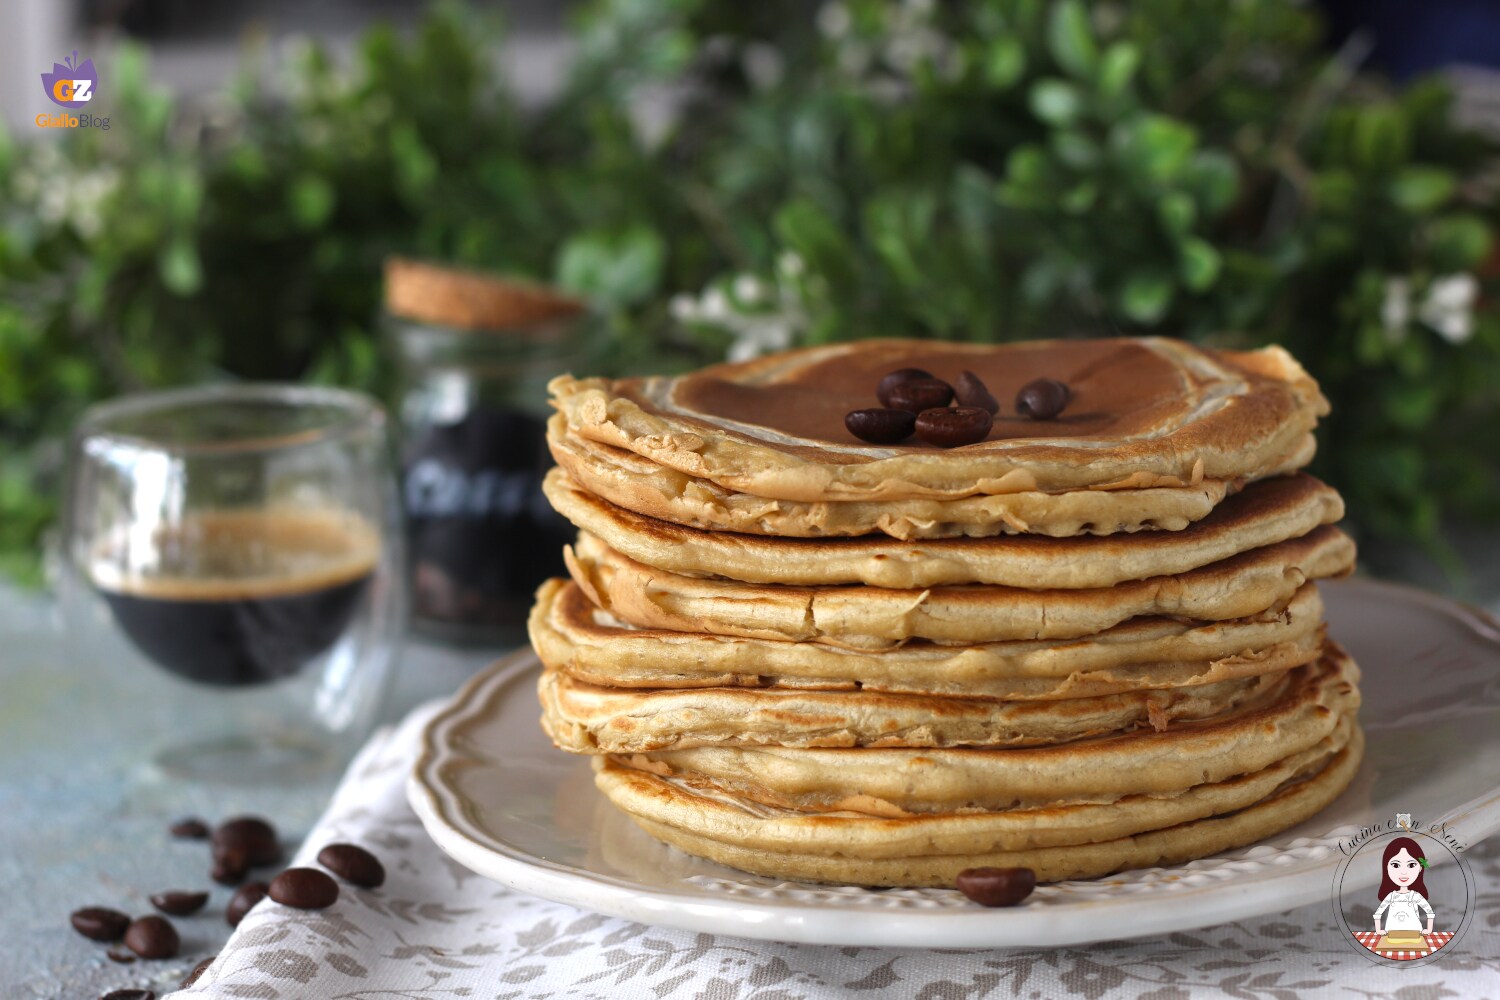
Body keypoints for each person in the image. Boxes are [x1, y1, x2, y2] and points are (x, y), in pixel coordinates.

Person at [1372, 837, 1435, 949]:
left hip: (1414, 933)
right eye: (1396, 865)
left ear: (1420, 868)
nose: (1404, 872)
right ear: (1386, 867)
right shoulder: (1391, 896)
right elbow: (1378, 913)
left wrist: (1428, 929)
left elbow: (1429, 912)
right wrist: (1379, 930)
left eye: (1411, 865)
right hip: (1392, 934)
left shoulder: (1415, 896)